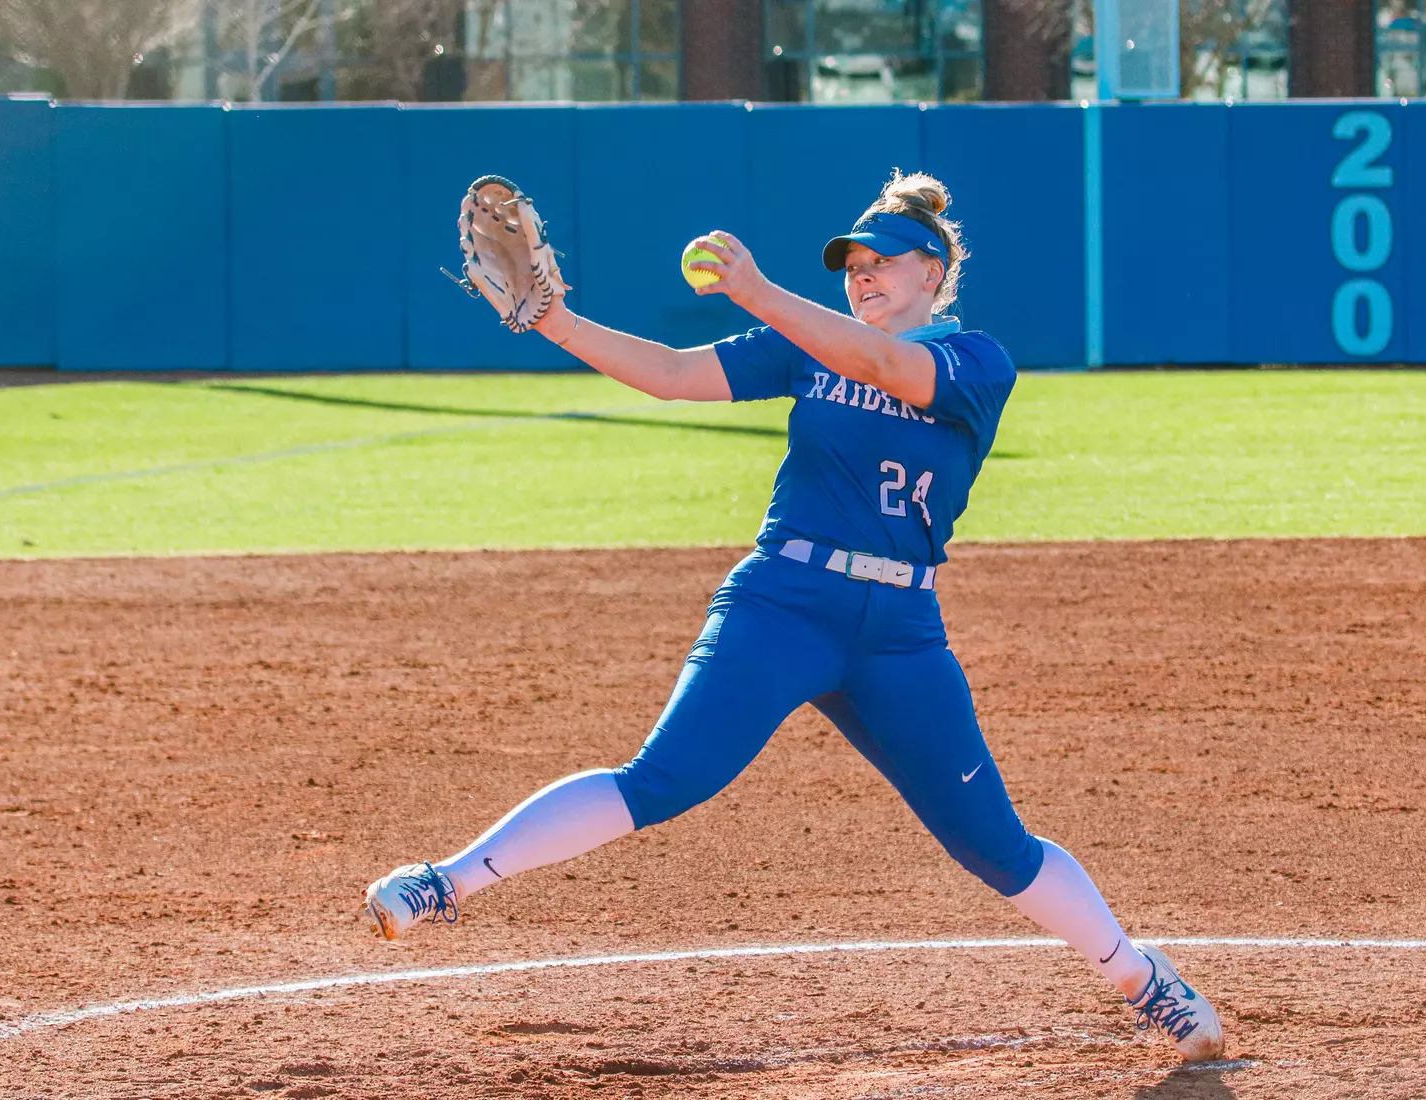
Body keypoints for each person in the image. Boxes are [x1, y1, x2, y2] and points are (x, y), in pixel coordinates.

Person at [364, 171, 1225, 1062]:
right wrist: (552, 319)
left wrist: (760, 291)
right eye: (852, 265)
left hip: (899, 632)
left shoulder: (975, 362)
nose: (863, 275)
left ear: (934, 271)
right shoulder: (804, 345)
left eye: (883, 261)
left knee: (995, 847)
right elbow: (669, 375)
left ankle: (1140, 977)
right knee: (663, 778)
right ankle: (445, 883)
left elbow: (887, 366)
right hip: (783, 603)